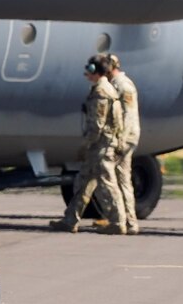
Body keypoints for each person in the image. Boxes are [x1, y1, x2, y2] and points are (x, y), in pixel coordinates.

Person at [49, 55, 126, 234]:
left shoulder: (101, 91)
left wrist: (85, 145)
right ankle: (70, 220)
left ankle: (118, 222)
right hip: (99, 146)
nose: (86, 74)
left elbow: (97, 125)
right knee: (82, 183)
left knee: (107, 184)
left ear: (94, 71)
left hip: (101, 146)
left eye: (89, 70)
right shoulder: (104, 89)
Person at [105, 53, 141, 235]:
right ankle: (129, 222)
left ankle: (121, 220)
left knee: (111, 176)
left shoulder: (122, 85)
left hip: (125, 138)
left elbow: (128, 115)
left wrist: (121, 141)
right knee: (123, 180)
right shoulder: (114, 84)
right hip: (125, 137)